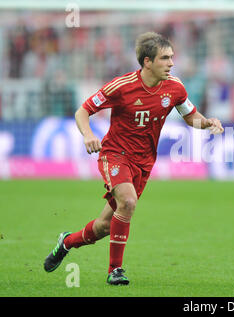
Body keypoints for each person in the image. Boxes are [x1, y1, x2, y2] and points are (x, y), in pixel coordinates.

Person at [43, 32, 224, 285]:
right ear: (147, 61)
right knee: (127, 202)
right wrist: (88, 135)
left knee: (105, 226)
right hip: (115, 155)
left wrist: (206, 123)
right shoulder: (121, 86)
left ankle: (66, 242)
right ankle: (115, 270)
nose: (171, 63)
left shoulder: (175, 87)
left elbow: (190, 115)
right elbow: (83, 110)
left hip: (144, 163)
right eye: (165, 58)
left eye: (172, 57)